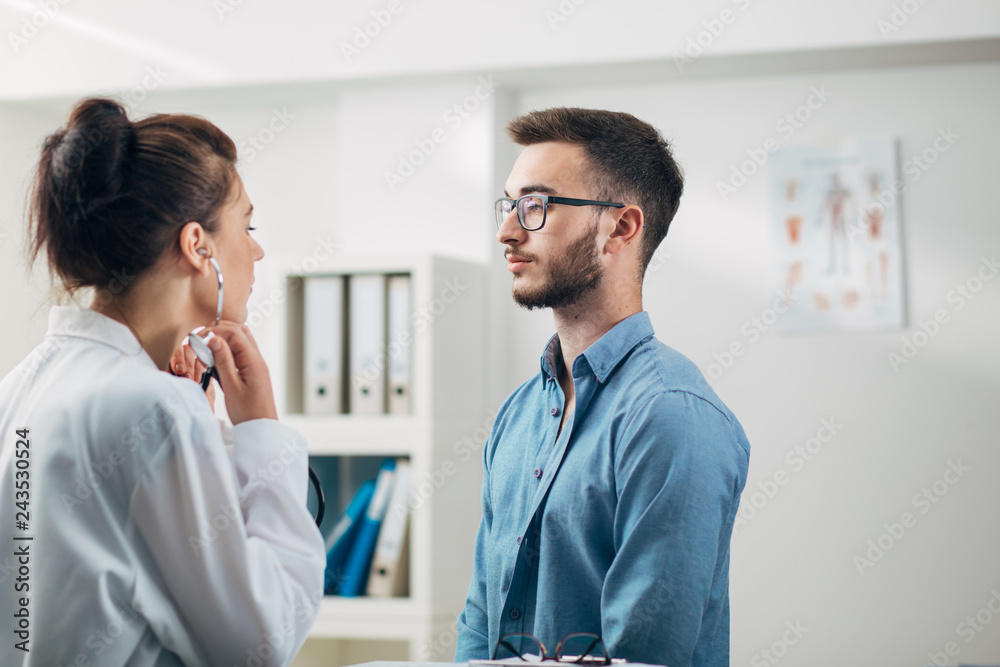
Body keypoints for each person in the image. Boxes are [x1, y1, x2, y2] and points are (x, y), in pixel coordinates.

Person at [0, 98, 325, 666]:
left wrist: (209, 427)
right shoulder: (152, 407)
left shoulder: (22, 386)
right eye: (246, 226)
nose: (257, 249)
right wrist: (261, 434)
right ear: (197, 245)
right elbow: (259, 641)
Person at [455, 108, 751, 667]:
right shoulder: (518, 414)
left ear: (621, 228)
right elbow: (479, 620)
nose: (507, 230)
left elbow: (645, 654)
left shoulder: (670, 416)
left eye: (536, 205)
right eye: (509, 204)